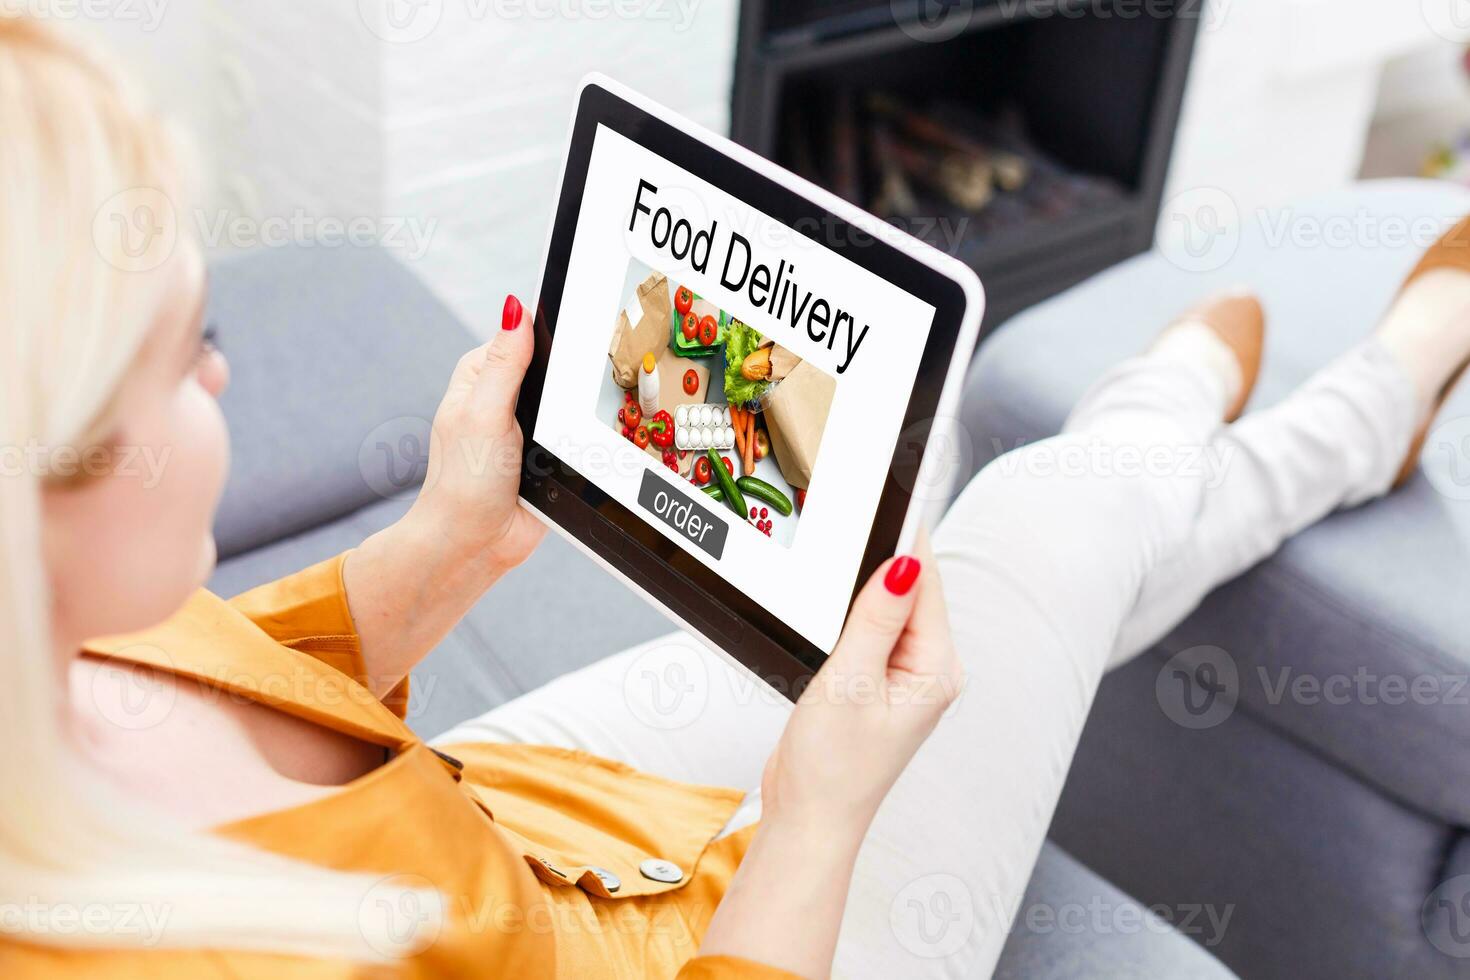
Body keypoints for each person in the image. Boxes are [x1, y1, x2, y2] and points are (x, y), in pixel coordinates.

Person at [3, 15, 1467, 979]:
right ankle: (1340, 410)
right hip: (754, 946)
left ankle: (1165, 445)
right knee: (1023, 532)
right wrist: (818, 821)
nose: (218, 377)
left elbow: (215, 704)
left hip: (502, 835)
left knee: (873, 581)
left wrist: (449, 541)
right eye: (185, 348)